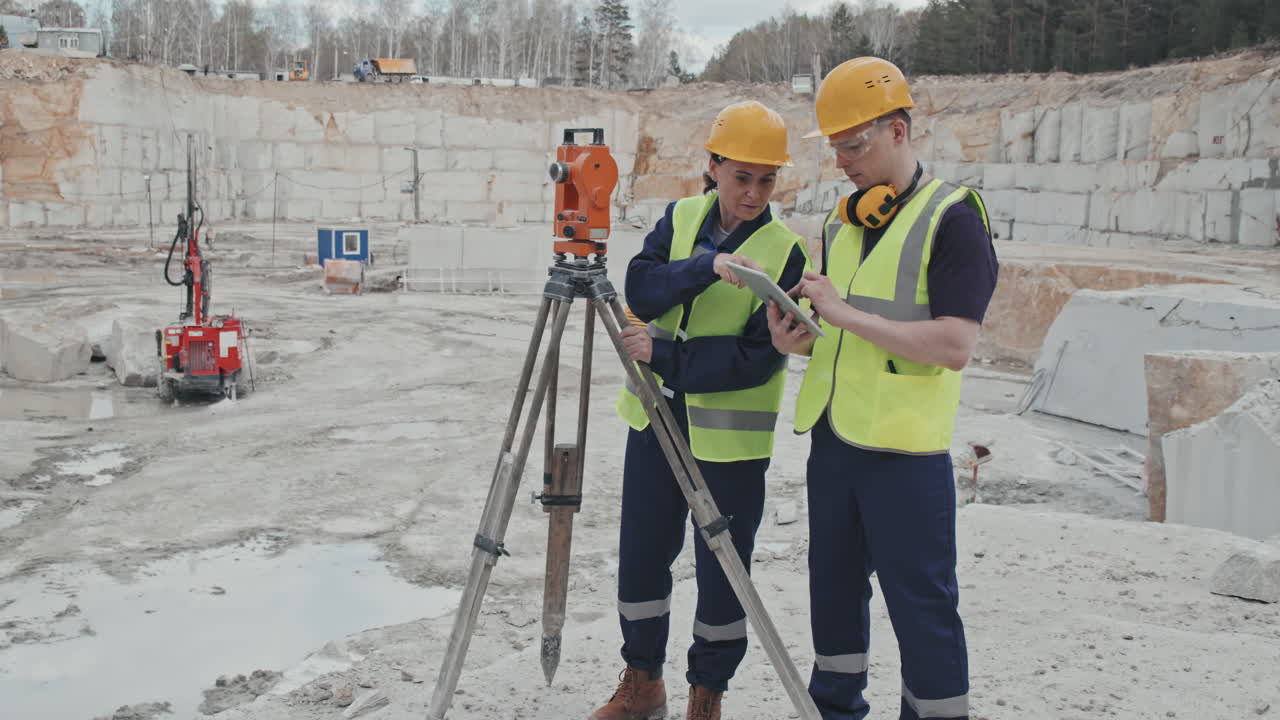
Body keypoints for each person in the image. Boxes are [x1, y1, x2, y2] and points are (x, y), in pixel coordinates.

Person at [767, 57, 999, 720]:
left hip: (905, 452)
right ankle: (834, 710)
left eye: (854, 144)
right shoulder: (843, 222)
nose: (842, 160)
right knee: (833, 593)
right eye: (835, 148)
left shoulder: (954, 218)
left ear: (899, 130)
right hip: (837, 443)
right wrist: (801, 335)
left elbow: (955, 345)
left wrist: (841, 314)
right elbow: (842, 334)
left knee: (921, 605)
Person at [591, 101, 810, 720]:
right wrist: (709, 266)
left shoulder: (785, 250)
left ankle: (706, 697)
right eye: (743, 177)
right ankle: (643, 683)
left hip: (731, 444)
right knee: (641, 557)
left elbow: (757, 359)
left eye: (767, 180)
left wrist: (665, 355)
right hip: (656, 424)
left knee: (723, 577)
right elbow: (643, 287)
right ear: (712, 167)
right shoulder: (681, 218)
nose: (754, 193)